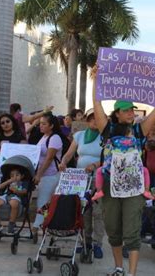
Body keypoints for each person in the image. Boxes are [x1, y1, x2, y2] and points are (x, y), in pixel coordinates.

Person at [91, 66, 155, 276]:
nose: (131, 113)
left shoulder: (139, 131)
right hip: (109, 186)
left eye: (132, 110)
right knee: (113, 230)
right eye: (126, 110)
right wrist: (96, 80)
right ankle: (119, 268)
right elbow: (96, 104)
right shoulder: (107, 130)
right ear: (117, 114)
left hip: (134, 187)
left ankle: (132, 273)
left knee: (132, 231)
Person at [58, 108, 106, 258]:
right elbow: (69, 153)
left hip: (99, 179)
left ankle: (98, 243)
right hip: (81, 179)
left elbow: (109, 158)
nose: (94, 121)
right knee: (83, 211)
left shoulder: (106, 138)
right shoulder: (79, 136)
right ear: (87, 120)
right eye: (92, 118)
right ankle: (85, 241)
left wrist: (95, 165)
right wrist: (63, 162)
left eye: (97, 118)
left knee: (98, 213)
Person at [31, 113, 63, 242]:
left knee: (43, 202)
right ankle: (39, 226)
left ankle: (38, 227)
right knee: (43, 202)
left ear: (51, 125)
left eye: (44, 124)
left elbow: (49, 158)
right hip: (44, 175)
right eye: (40, 123)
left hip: (50, 175)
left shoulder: (55, 138)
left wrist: (39, 174)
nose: (41, 126)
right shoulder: (44, 137)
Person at [0, 168, 29, 235]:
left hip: (16, 196)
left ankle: (11, 225)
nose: (14, 177)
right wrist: (9, 181)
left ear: (22, 176)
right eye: (12, 175)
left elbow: (24, 191)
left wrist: (16, 190)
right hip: (5, 195)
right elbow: (0, 187)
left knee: (14, 204)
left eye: (17, 175)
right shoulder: (8, 181)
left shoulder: (23, 183)